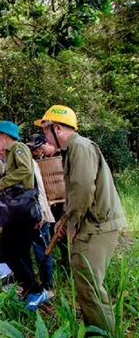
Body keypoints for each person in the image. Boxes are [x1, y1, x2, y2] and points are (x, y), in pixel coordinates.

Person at [36, 105, 127, 333]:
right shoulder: (72, 150)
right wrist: (66, 218)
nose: (45, 136)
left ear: (57, 127)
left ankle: (102, 333)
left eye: (46, 131)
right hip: (92, 223)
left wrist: (72, 222)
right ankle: (94, 329)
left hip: (97, 225)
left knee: (90, 287)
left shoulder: (79, 146)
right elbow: (77, 192)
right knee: (85, 285)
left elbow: (84, 189)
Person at [0, 120, 48, 311]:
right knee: (21, 252)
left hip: (21, 210)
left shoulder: (17, 147)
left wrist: (0, 184)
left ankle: (37, 290)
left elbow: (25, 170)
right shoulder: (10, 153)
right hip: (19, 209)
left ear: (5, 137)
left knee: (9, 251)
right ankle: (31, 290)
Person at [27, 139, 56, 294]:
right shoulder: (24, 164)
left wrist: (41, 214)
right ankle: (33, 283)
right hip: (28, 215)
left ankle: (47, 286)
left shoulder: (28, 164)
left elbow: (37, 192)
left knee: (41, 251)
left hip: (38, 215)